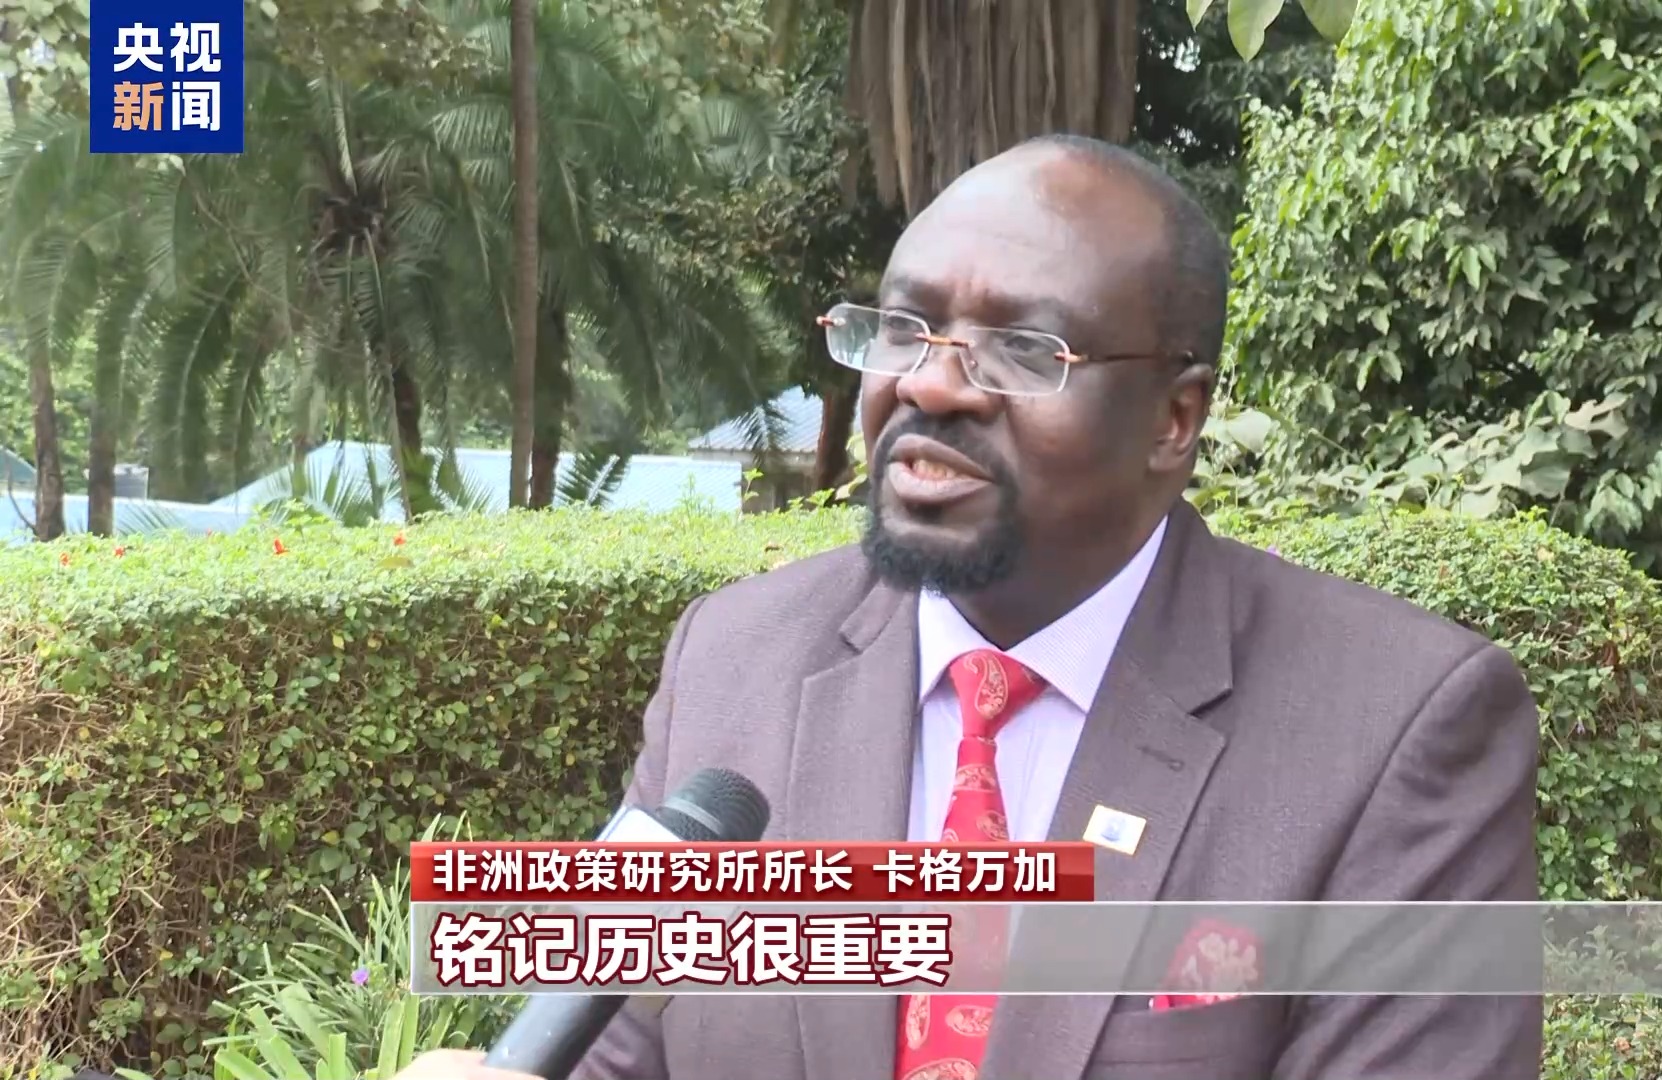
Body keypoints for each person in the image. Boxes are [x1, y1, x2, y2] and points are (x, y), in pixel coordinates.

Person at [403, 134, 1543, 1080]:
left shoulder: (1394, 725)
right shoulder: (734, 662)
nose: (930, 382)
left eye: (1022, 350)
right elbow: (618, 1051)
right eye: (901, 330)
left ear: (1174, 419)